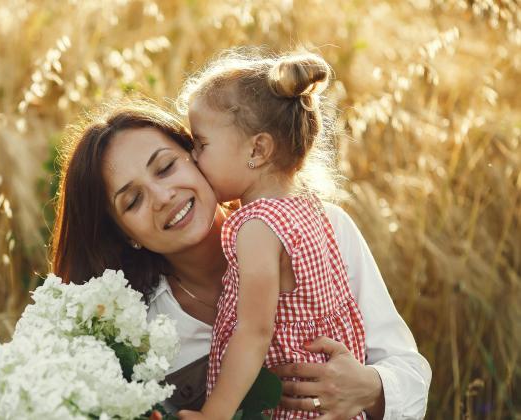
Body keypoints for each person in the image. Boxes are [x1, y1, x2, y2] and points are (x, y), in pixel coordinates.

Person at [50, 99, 431, 419]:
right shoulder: (138, 330)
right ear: (125, 235)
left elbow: (411, 374)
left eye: (166, 167)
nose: (163, 196)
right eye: (132, 201)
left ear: (197, 155)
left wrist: (370, 388)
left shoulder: (322, 229)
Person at [174, 50, 365, 420]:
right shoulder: (307, 208)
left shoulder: (258, 227)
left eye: (201, 144)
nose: (193, 157)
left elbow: (254, 333)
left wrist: (215, 414)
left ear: (258, 149)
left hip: (288, 407)